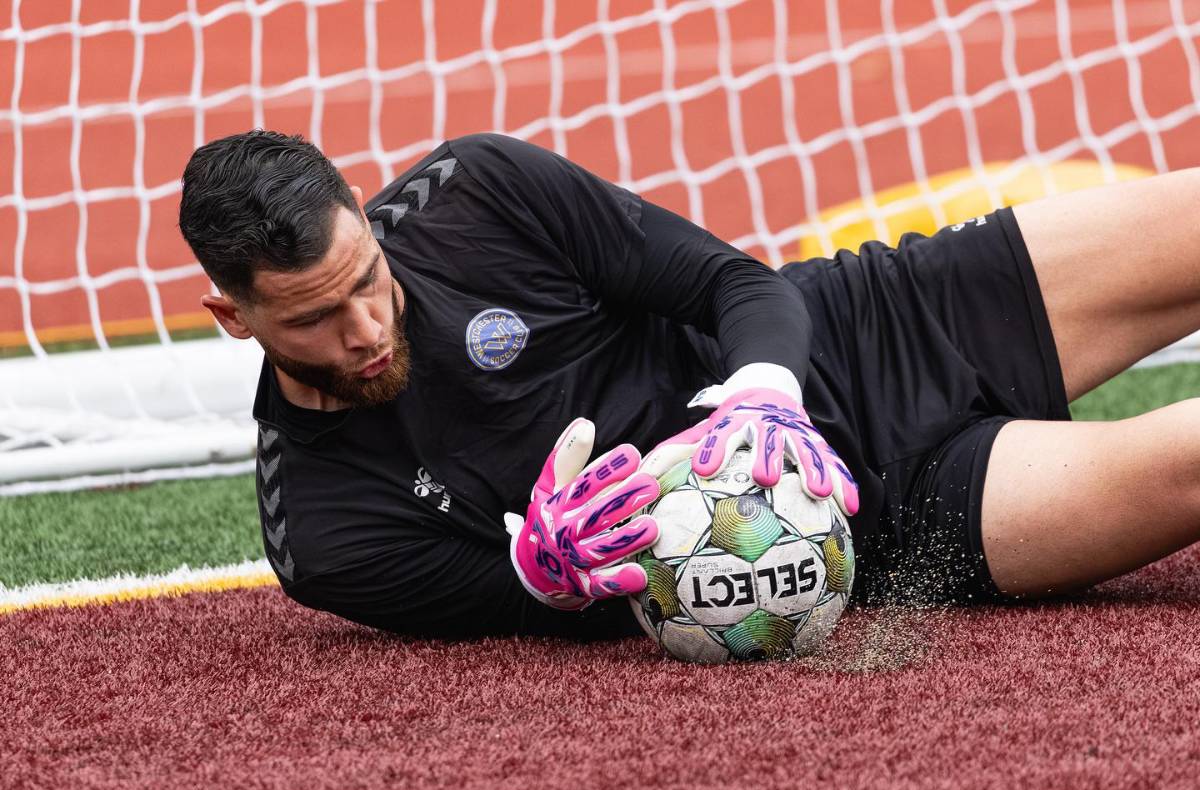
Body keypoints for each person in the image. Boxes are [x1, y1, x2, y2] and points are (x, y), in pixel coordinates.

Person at [180, 130, 1200, 639]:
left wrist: (763, 389)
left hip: (866, 329)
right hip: (869, 521)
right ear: (236, 316)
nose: (364, 326)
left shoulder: (478, 194)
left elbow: (732, 282)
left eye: (367, 278)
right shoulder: (324, 531)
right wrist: (544, 580)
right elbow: (542, 613)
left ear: (364, 215)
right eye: (314, 315)